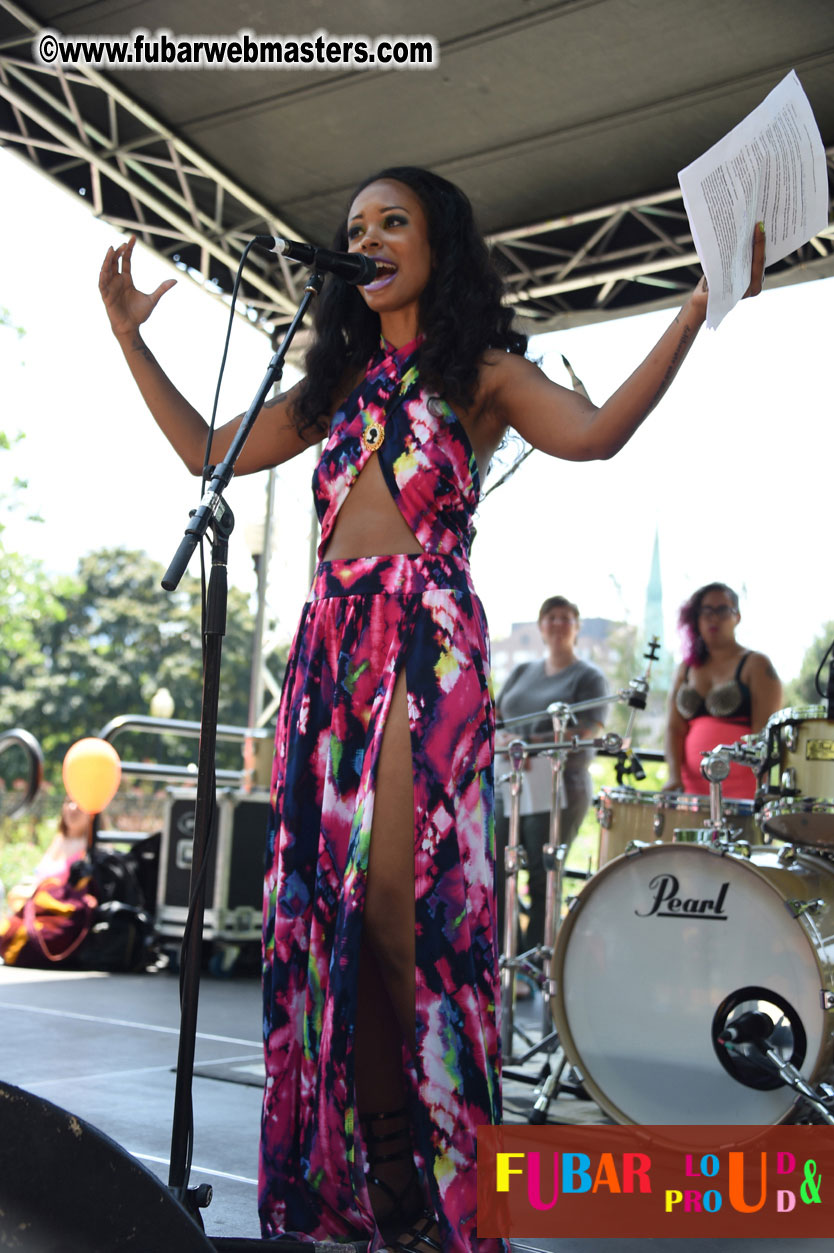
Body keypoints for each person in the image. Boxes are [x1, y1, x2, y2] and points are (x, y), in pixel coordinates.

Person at [99, 167, 765, 1253]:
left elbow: (597, 433)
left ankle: (441, 1191)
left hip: (422, 643)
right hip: (326, 648)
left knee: (406, 924)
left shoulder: (481, 370)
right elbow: (206, 450)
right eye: (355, 226)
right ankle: (382, 1191)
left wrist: (693, 305)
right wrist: (132, 337)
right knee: (333, 931)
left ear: (437, 244)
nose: (368, 237)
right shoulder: (338, 384)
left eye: (391, 221)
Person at [495, 596, 608, 966]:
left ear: (576, 626)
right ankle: (499, 960)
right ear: (541, 626)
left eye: (566, 618)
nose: (558, 624)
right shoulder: (521, 672)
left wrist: (529, 744)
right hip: (508, 784)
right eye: (551, 617)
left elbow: (589, 728)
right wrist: (506, 743)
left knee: (543, 878)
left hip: (559, 789)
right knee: (497, 869)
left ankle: (531, 966)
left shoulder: (588, 677)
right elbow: (493, 715)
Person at [665, 582, 782, 799]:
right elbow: (674, 729)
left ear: (737, 617)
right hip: (690, 792)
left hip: (742, 793)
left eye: (722, 610)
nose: (713, 618)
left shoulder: (756, 664)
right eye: (706, 611)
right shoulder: (686, 668)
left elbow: (764, 735)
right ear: (696, 618)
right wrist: (673, 776)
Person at [5, 797, 93, 914]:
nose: (72, 807)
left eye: (79, 803)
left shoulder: (91, 849)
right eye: (68, 802)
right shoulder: (60, 839)